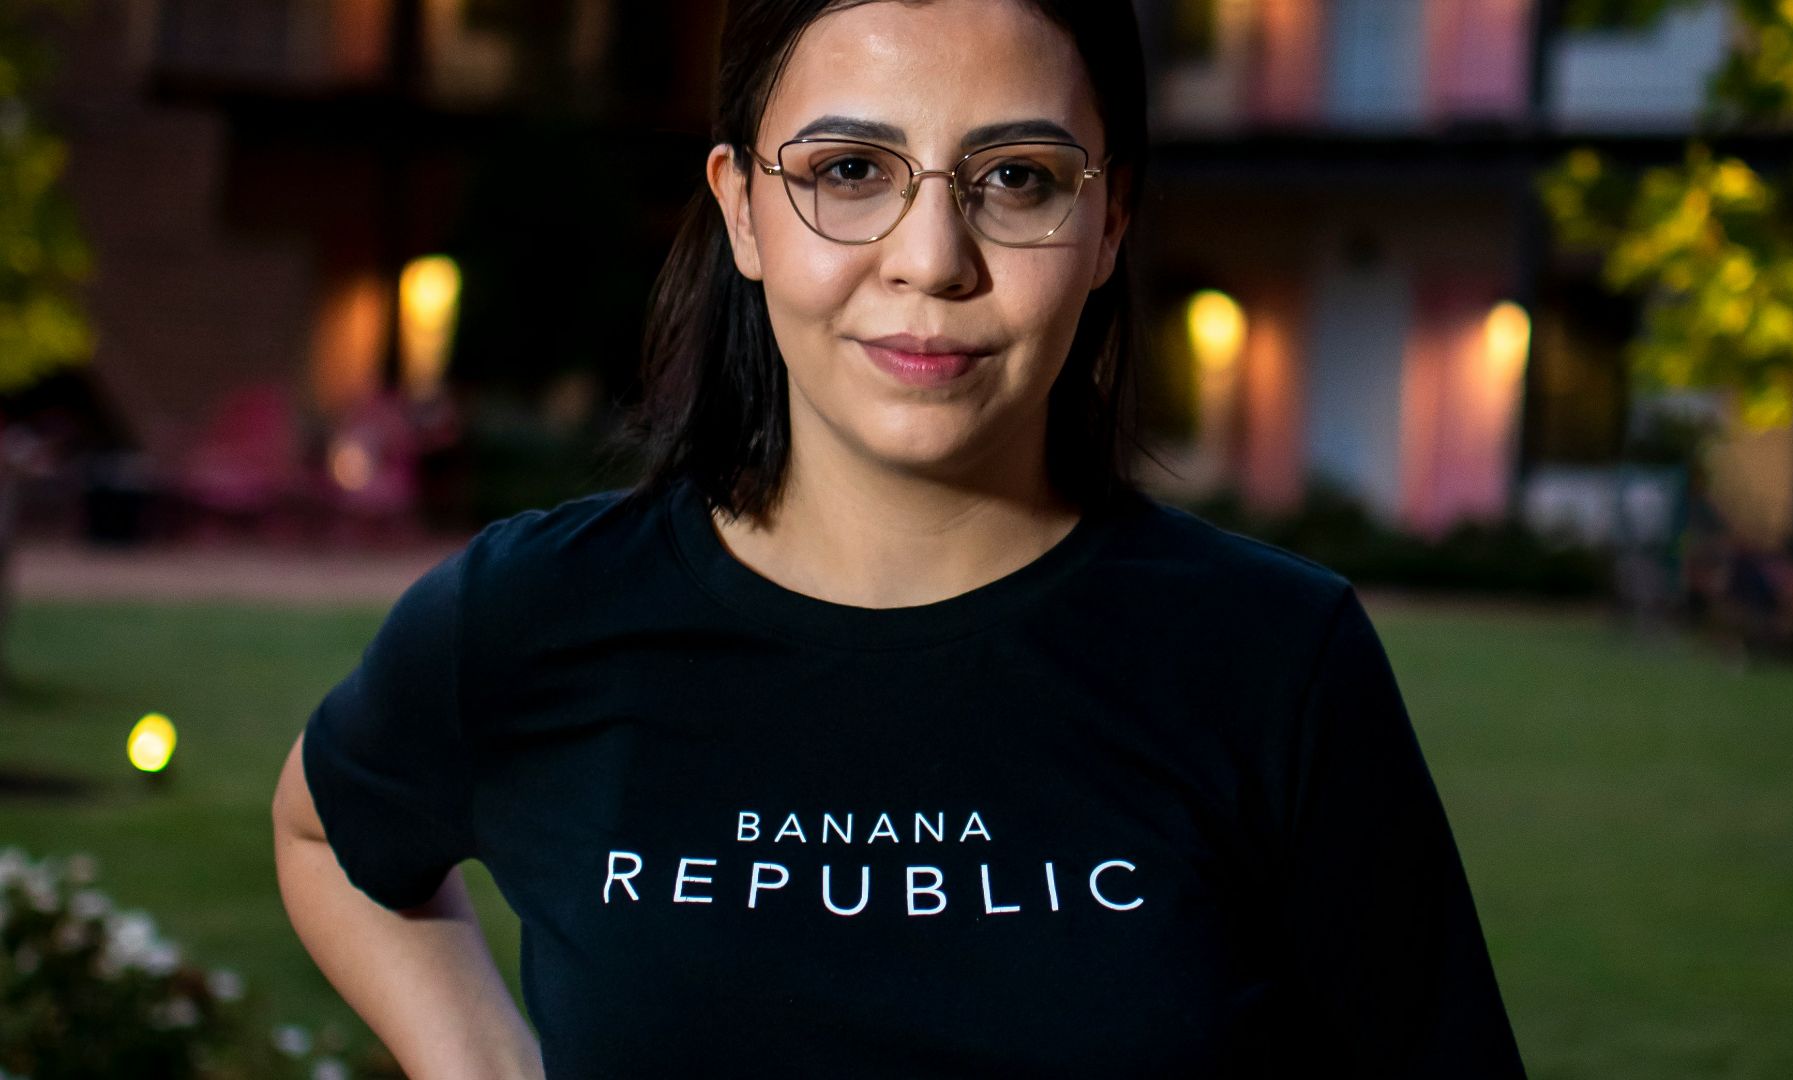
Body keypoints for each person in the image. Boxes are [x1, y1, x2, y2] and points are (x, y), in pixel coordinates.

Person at [270, 1, 1529, 1076]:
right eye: (850, 172)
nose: (931, 260)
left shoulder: (1272, 661)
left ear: (1111, 225)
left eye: (1018, 178)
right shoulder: (535, 616)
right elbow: (325, 829)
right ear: (744, 212)